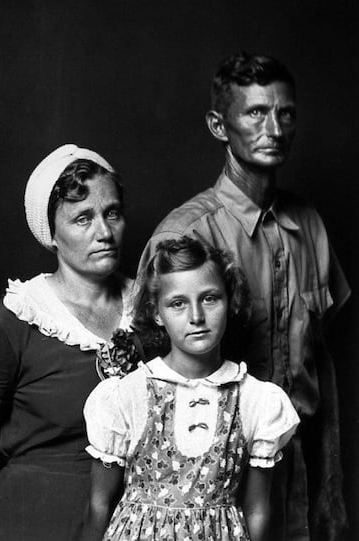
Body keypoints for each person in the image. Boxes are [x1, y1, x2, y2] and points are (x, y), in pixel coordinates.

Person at [137, 52, 350, 541]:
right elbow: (153, 379)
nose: (274, 128)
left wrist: (333, 489)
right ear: (219, 124)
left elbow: (322, 363)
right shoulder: (187, 233)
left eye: (286, 113)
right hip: (216, 486)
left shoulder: (309, 225)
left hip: (299, 476)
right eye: (256, 112)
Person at [0, 144, 133, 541]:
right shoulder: (11, 321)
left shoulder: (152, 309)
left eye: (112, 213)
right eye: (82, 218)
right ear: (52, 234)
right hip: (37, 517)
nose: (104, 232)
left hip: (134, 518)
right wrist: (2, 520)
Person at [82, 236, 300, 541]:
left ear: (230, 299)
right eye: (178, 303)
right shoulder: (126, 395)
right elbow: (98, 504)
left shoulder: (257, 399)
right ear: (157, 312)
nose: (196, 317)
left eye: (210, 298)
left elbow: (258, 510)